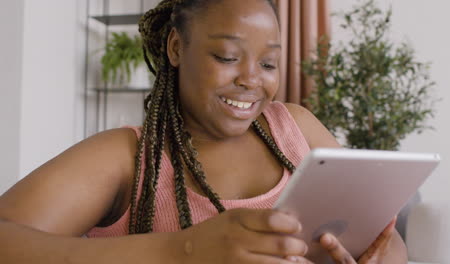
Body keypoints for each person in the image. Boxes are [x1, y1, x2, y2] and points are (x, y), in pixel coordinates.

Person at [0, 0, 407, 263]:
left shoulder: (296, 129)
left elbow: (391, 245)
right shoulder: (127, 156)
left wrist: (377, 256)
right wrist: (186, 250)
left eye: (268, 64)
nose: (251, 79)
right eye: (227, 56)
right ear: (176, 48)